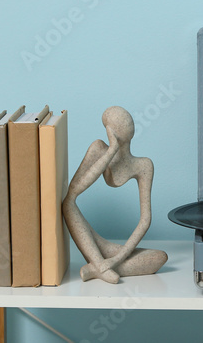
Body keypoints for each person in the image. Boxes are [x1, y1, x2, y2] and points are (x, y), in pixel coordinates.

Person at [62, 106, 167, 283]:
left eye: (129, 123)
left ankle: (97, 268)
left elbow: (145, 220)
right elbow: (73, 192)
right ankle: (99, 263)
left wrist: (116, 259)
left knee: (159, 257)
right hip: (93, 240)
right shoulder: (98, 149)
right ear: (109, 130)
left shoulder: (144, 165)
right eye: (123, 123)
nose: (129, 126)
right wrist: (111, 151)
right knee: (68, 204)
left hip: (110, 250)